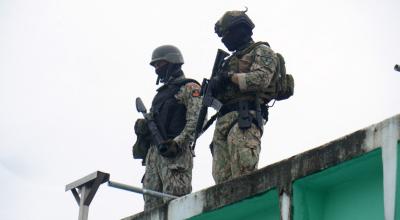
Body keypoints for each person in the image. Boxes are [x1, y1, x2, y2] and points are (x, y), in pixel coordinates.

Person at [210, 9, 279, 184]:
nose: (224, 39)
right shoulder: (227, 61)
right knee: (221, 184)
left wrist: (230, 77)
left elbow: (260, 79)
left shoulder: (262, 51)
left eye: (226, 34)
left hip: (244, 118)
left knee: (243, 178)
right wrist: (213, 89)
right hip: (223, 121)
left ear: (238, 29)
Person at [132, 45, 202, 211]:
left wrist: (178, 142)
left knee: (176, 205)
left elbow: (197, 120)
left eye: (160, 64)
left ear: (172, 62)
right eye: (155, 66)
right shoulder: (160, 95)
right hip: (154, 156)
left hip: (175, 155)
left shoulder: (190, 87)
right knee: (151, 208)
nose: (157, 69)